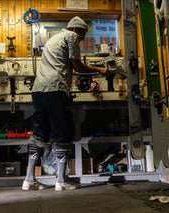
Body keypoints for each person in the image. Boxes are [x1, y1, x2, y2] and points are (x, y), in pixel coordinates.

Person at [22, 16, 110, 191]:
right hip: (56, 89)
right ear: (76, 30)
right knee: (63, 134)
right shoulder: (71, 37)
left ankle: (29, 180)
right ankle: (61, 181)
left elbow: (65, 66)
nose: (83, 39)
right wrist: (100, 70)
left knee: (39, 134)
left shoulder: (53, 38)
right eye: (83, 35)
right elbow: (77, 66)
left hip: (39, 89)